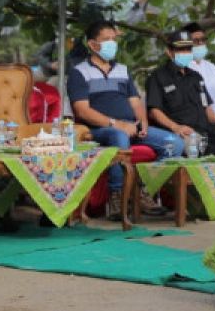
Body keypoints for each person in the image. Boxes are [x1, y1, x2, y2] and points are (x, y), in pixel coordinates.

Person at [68, 20, 184, 219]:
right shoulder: (79, 72)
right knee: (119, 136)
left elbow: (136, 102)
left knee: (174, 143)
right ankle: (117, 195)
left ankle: (145, 191)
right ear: (92, 44)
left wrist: (143, 122)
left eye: (114, 39)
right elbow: (82, 111)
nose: (112, 43)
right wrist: (116, 124)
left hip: (130, 126)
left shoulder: (122, 69)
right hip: (99, 129)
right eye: (106, 40)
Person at [145, 30, 215, 155]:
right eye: (181, 50)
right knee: (196, 147)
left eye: (188, 49)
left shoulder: (196, 77)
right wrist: (176, 127)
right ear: (169, 52)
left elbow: (207, 108)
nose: (185, 53)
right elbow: (154, 111)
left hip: (205, 130)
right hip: (180, 132)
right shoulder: (158, 77)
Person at [183, 21, 215, 129]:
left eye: (203, 40)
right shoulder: (183, 68)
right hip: (197, 124)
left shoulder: (213, 68)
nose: (201, 43)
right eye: (196, 41)